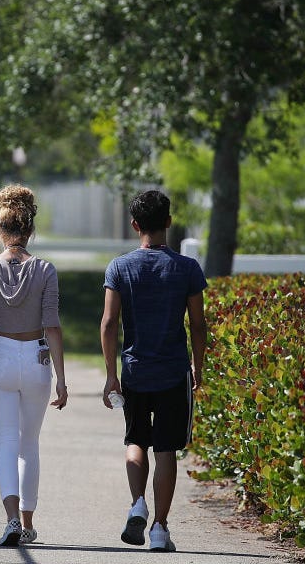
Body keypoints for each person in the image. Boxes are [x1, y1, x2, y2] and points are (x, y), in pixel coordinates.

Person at [100, 189, 207, 553]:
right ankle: (160, 529)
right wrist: (198, 365)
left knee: (134, 441)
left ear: (134, 225)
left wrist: (111, 374)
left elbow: (109, 322)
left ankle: (137, 504)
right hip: (174, 372)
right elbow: (198, 324)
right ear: (169, 222)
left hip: (133, 370)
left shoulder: (119, 268)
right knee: (166, 450)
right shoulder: (187, 268)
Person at [0, 184, 68, 546]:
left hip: (0, 358)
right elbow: (52, 326)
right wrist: (61, 378)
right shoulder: (45, 270)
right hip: (37, 358)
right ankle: (27, 522)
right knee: (30, 444)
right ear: (30, 230)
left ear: (0, 229)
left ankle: (10, 518)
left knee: (6, 443)